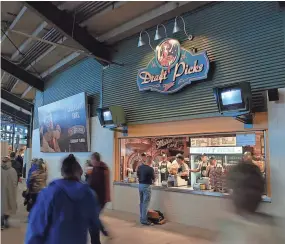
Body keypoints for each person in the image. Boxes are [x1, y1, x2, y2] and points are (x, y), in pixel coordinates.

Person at [25, 154, 105, 244]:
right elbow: (94, 224)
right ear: (80, 172)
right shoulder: (88, 194)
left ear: (62, 172)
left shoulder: (49, 193)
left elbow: (36, 228)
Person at [88, 152, 110, 241]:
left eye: (92, 159)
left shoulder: (99, 170)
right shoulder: (98, 169)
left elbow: (94, 184)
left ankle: (100, 234)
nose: (91, 161)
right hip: (97, 199)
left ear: (95, 159)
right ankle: (103, 231)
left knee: (93, 219)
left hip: (100, 199)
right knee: (94, 217)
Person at [137, 155, 155, 226]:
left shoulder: (140, 167)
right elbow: (154, 178)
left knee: (141, 202)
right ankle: (144, 220)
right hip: (146, 186)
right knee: (145, 203)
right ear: (150, 161)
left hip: (140, 185)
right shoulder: (150, 169)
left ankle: (142, 218)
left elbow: (138, 175)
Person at [1, 156, 18, 230]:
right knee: (8, 206)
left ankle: (1, 221)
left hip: (1, 191)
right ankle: (6, 220)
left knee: (2, 206)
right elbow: (15, 182)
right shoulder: (12, 170)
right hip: (10, 192)